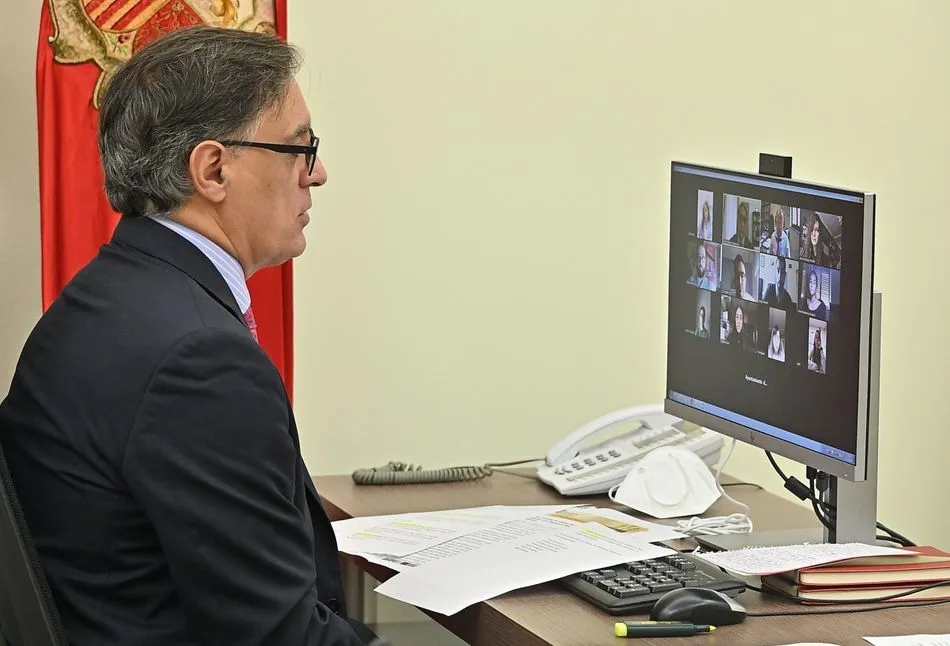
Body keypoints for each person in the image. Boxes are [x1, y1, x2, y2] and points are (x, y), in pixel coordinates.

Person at [0, 26, 385, 646]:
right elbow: (278, 637)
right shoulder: (197, 357)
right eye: (299, 149)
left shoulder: (106, 298)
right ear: (212, 169)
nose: (317, 175)